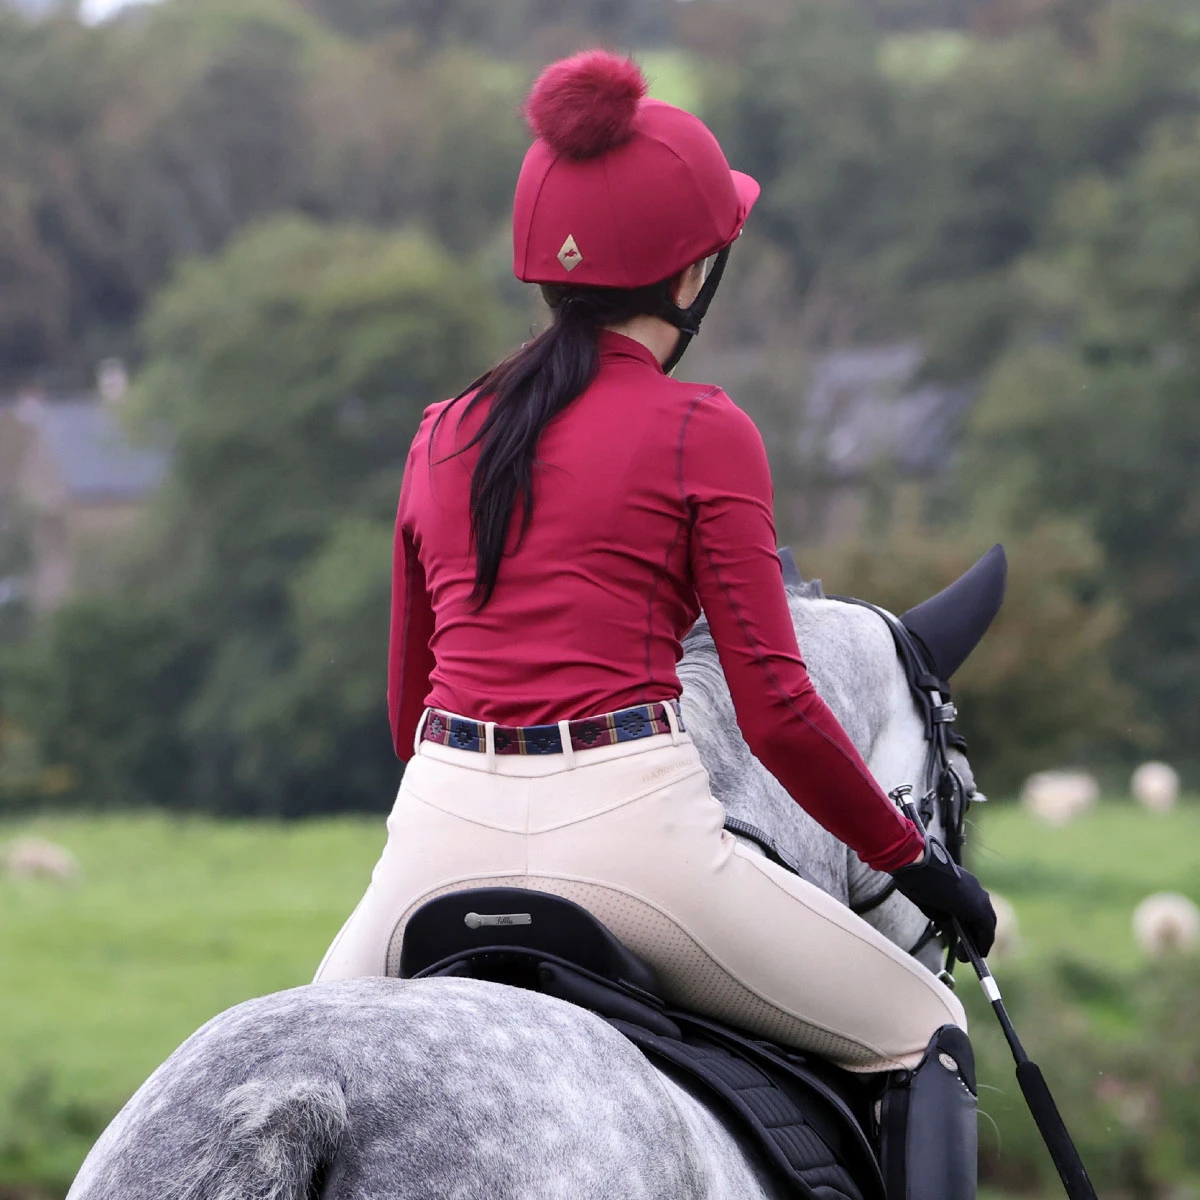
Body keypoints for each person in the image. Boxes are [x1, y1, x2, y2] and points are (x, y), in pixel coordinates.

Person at [316, 49, 994, 1193]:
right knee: (923, 1028)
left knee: (287, 1070)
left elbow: (404, 710)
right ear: (691, 276)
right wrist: (920, 868)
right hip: (631, 844)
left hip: (430, 840)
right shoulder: (702, 428)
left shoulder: (441, 432)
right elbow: (777, 713)